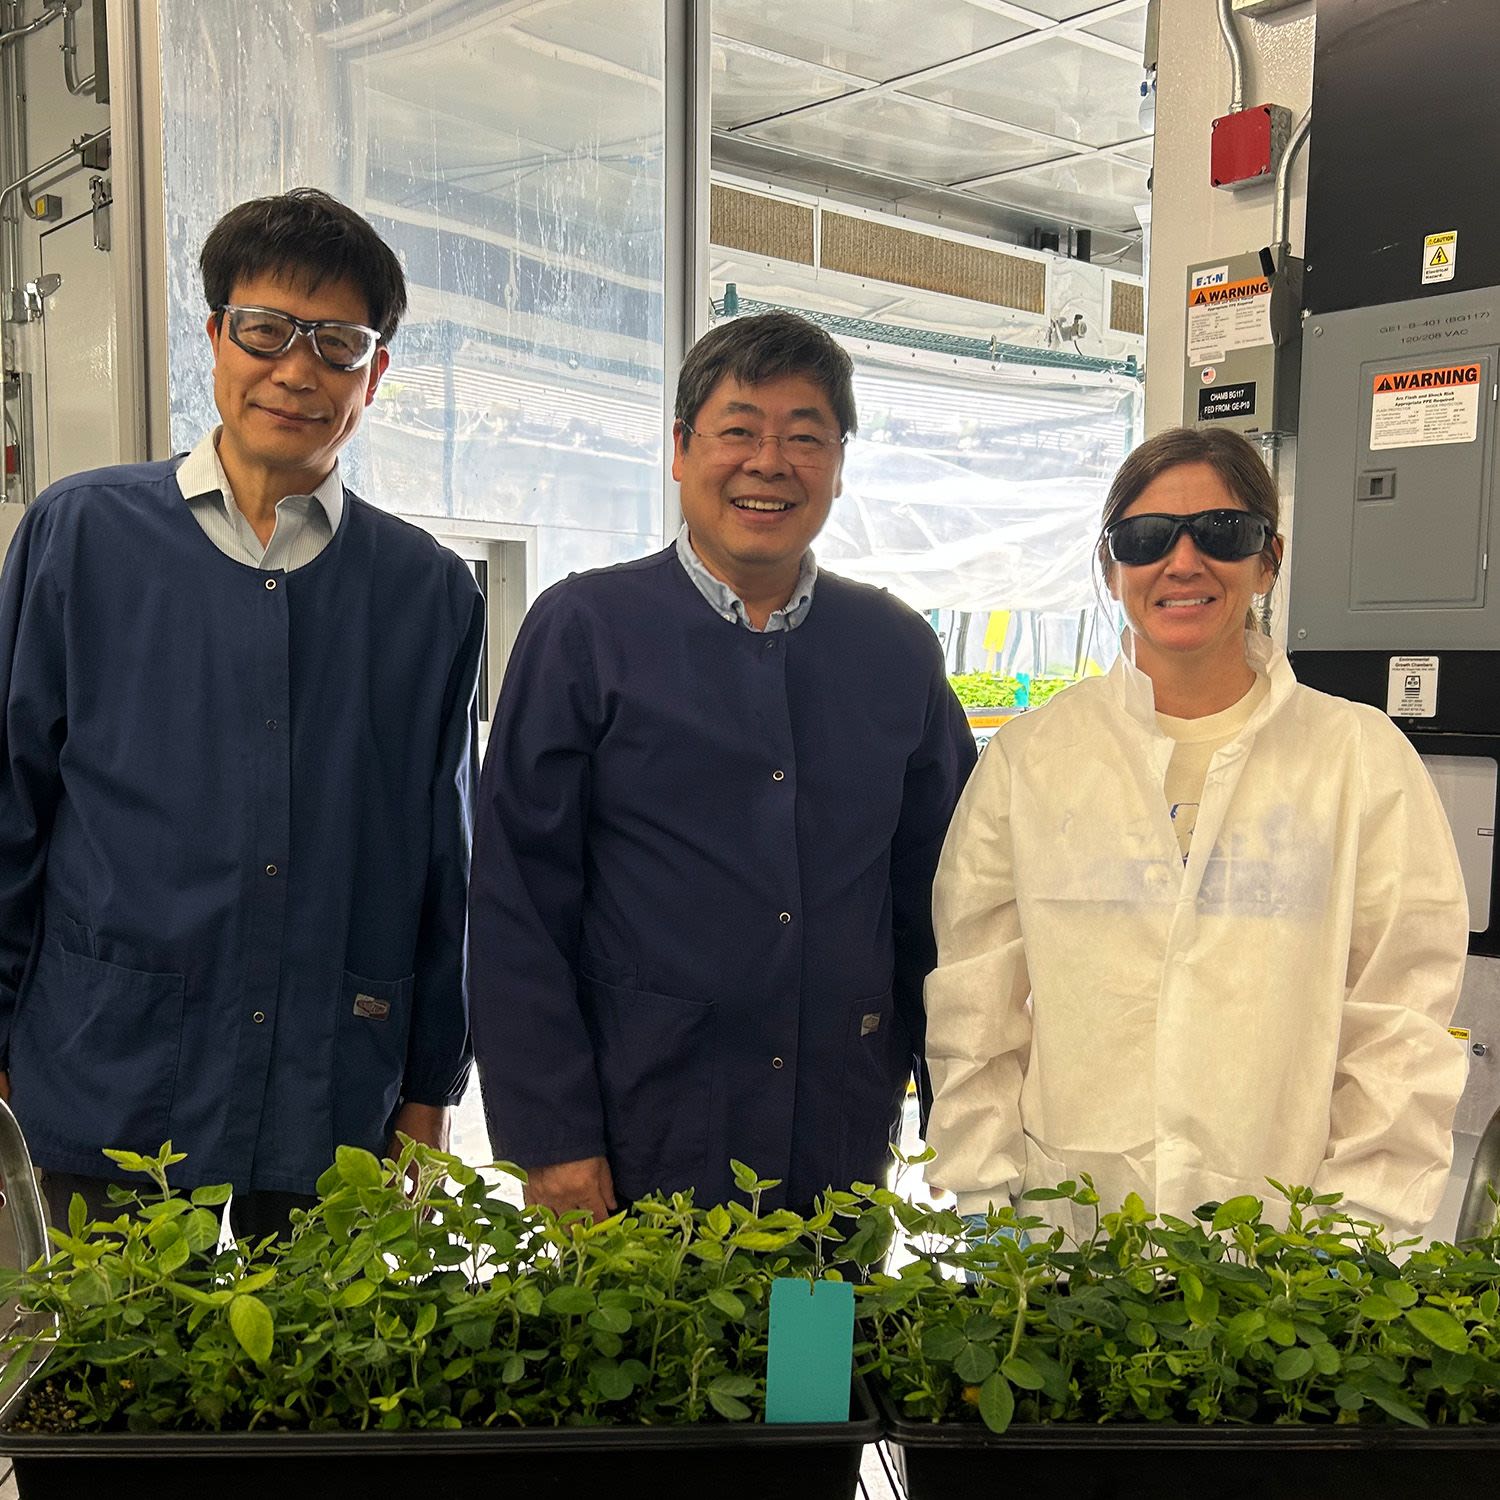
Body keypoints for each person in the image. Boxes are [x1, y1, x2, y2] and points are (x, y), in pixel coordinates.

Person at [0, 189, 484, 1236]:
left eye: (338, 344)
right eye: (265, 331)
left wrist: (429, 1085)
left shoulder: (427, 591)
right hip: (106, 1079)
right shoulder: (81, 539)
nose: (297, 370)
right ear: (214, 336)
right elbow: (10, 806)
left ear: (376, 373)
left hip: (328, 1094)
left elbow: (443, 859)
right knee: (97, 1379)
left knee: (309, 1391)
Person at [469, 311, 976, 1217]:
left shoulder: (895, 648)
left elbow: (940, 900)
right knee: (651, 1355)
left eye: (805, 437)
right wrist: (552, 1136)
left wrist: (961, 1111)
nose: (769, 462)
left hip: (838, 1132)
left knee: (819, 1354)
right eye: (738, 430)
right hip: (641, 1128)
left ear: (839, 462)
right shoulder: (583, 632)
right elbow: (517, 901)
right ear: (679, 448)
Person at [923, 425, 1469, 1241]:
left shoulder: (1358, 760)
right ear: (1111, 569)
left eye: (1222, 532)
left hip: (1287, 1248)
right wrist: (989, 1211)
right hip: (1067, 1237)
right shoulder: (1033, 759)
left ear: (1268, 559)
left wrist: (1359, 1235)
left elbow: (1400, 1023)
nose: (1182, 563)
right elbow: (976, 1007)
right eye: (1145, 539)